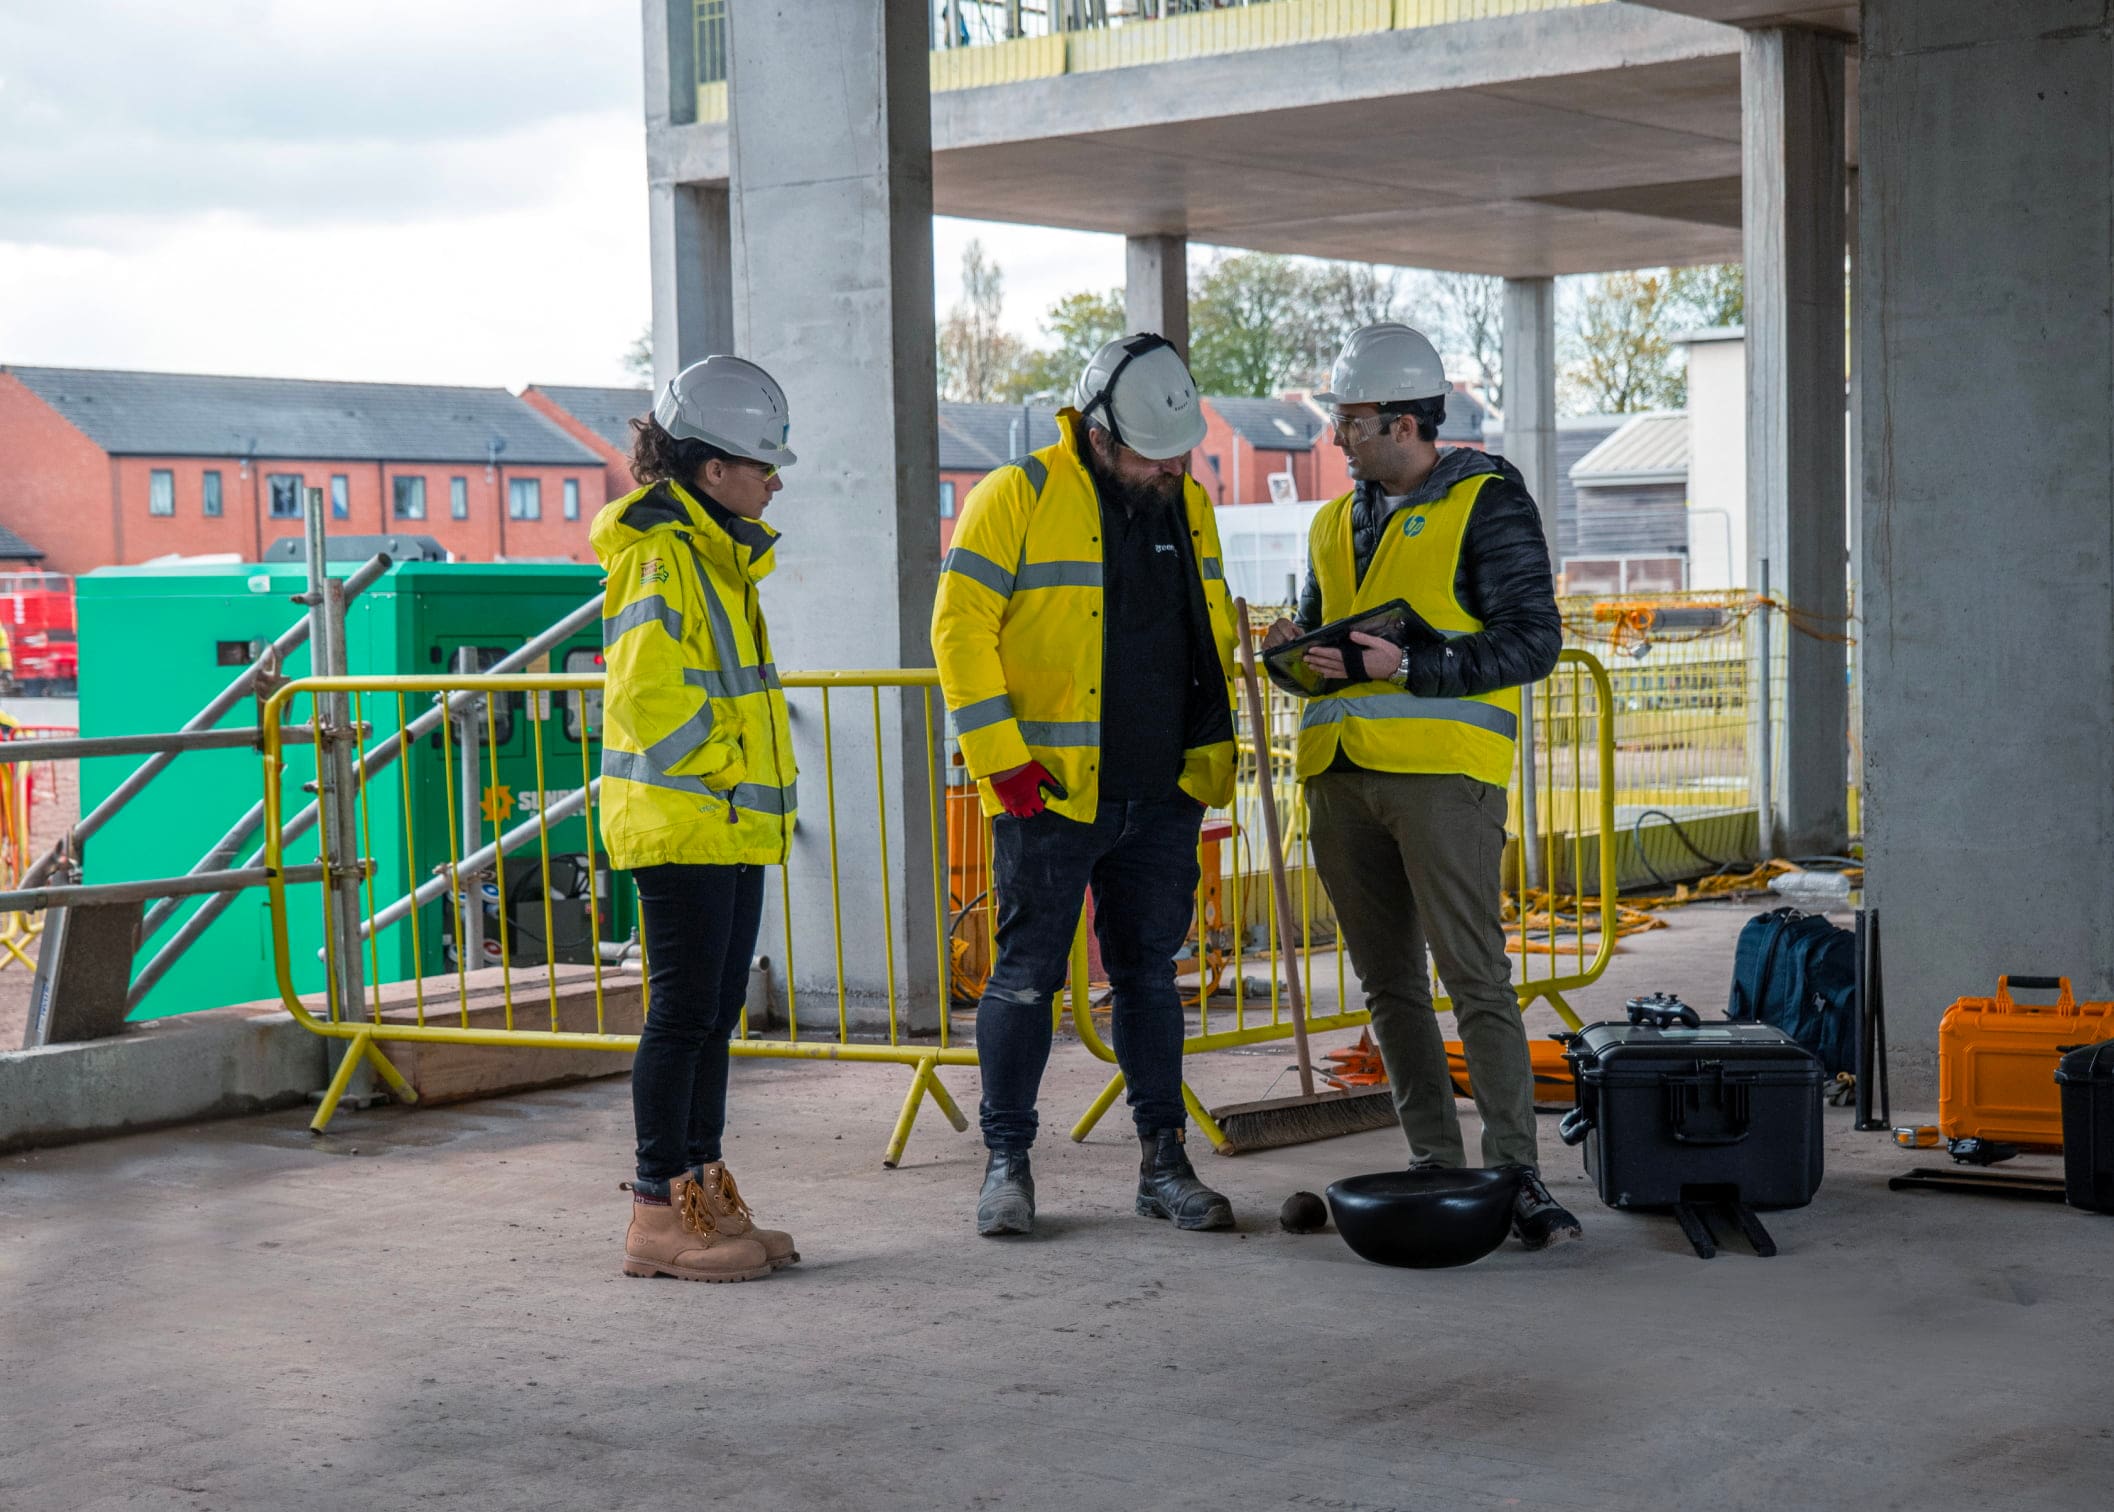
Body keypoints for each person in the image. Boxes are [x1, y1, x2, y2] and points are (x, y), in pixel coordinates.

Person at [1262, 322, 1583, 1250]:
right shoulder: (1333, 521)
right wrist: (1295, 660)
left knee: (1475, 977)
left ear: (1404, 424)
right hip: (1340, 779)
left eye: (1349, 421)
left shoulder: (1486, 503)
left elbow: (1534, 640)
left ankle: (1516, 1173)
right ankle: (1439, 1162)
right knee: (1389, 986)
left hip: (1444, 780)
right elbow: (1325, 645)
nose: (1335, 439)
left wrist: (1411, 668)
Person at [932, 334, 1241, 1238]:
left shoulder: (1189, 503)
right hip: (1051, 792)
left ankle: (1163, 1164)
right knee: (1025, 976)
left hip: (1164, 786)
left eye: (1178, 452)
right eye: (1152, 452)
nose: (1169, 467)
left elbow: (1203, 626)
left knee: (1150, 977)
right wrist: (1001, 757)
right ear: (1099, 431)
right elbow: (959, 629)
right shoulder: (1017, 496)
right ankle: (1006, 1165)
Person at [590, 355, 804, 1282]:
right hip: (683, 823)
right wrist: (721, 775)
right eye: (761, 463)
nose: (774, 477)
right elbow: (647, 698)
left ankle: (702, 1188)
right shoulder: (662, 557)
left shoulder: (718, 560)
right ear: (712, 471)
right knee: (682, 1016)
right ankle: (654, 1211)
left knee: (713, 1015)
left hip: (720, 822)